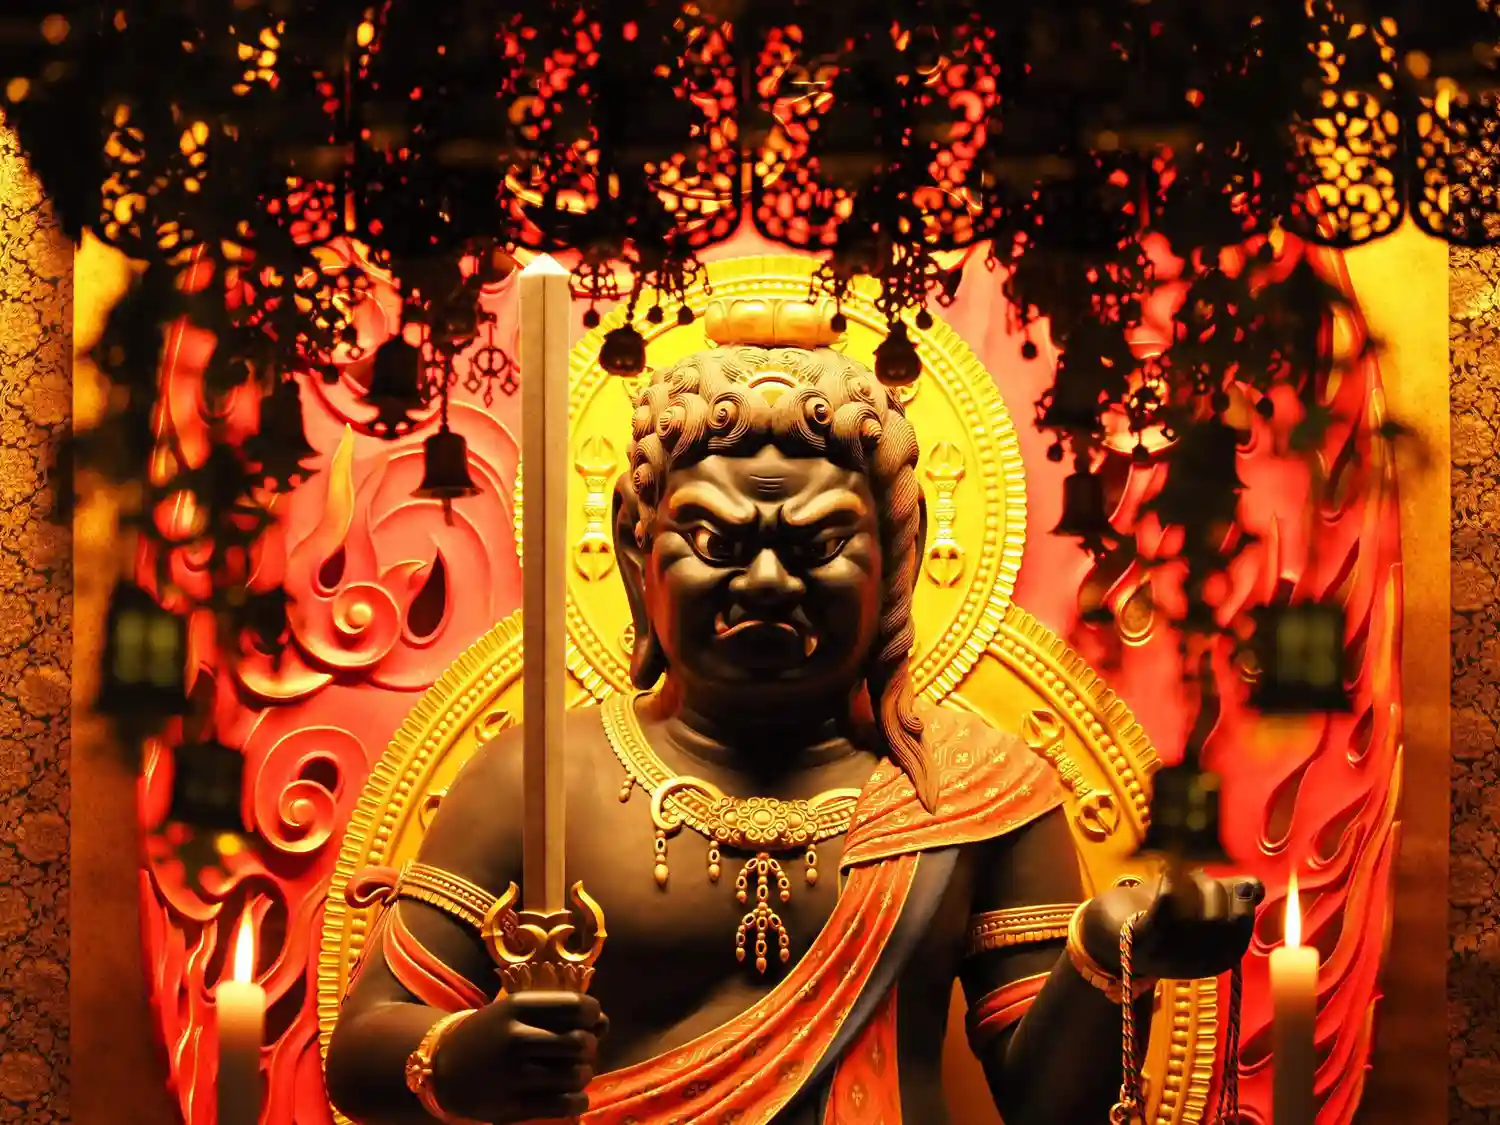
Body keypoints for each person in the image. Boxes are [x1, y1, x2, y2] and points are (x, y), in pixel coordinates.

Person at [325, 299, 1260, 1125]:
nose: (769, 580)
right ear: (635, 551)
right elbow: (364, 1046)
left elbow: (1052, 1108)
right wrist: (458, 1056)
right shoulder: (541, 776)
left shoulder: (972, 791)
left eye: (820, 542)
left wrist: (1108, 951)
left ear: (896, 560)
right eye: (715, 538)